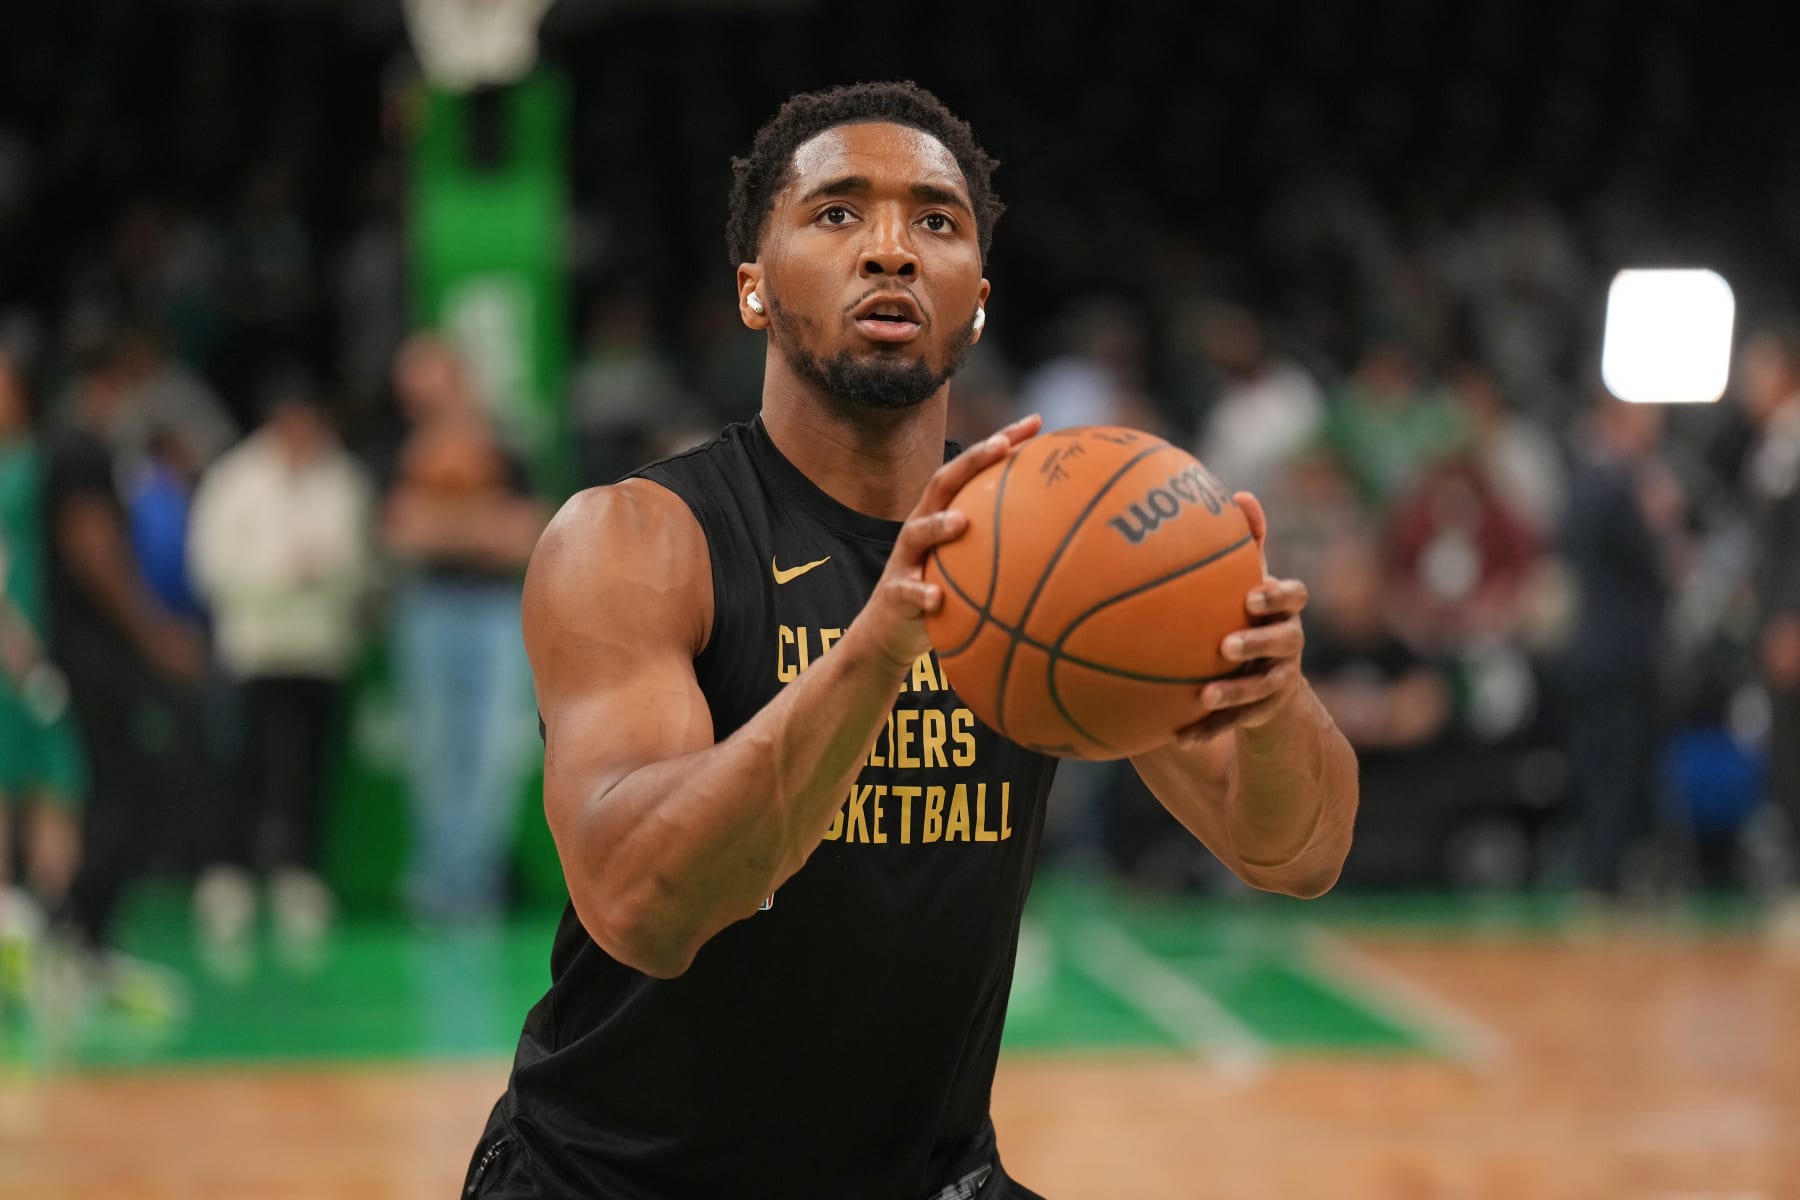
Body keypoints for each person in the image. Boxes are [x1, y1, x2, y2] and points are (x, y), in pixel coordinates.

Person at [467, 82, 1358, 1200]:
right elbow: (642, 904)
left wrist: (1269, 700)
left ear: (975, 302)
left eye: (935, 220)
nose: (891, 248)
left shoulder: (1043, 560)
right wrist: (874, 651)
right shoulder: (638, 540)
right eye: (838, 212)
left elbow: (1300, 852)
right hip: (615, 1183)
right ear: (753, 288)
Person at [186, 371, 376, 947]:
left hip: (319, 650)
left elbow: (360, 559)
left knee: (308, 765)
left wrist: (322, 570)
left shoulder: (343, 478)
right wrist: (280, 574)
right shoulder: (236, 480)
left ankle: (299, 875)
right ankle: (228, 874)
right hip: (254, 648)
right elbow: (211, 563)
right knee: (242, 762)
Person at [381, 334, 548, 924]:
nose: (414, 395)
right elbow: (399, 532)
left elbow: (522, 535)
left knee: (494, 751)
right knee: (433, 749)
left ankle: (473, 882)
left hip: (496, 611)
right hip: (427, 608)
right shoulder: (401, 445)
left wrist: (442, 525)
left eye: (424, 381)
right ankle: (439, 880)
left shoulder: (505, 443)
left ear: (456, 379)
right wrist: (476, 525)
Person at [0, 350, 85, 992]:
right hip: (10, 649)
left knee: (56, 780)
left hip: (51, 650)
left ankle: (56, 921)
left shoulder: (48, 463)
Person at [1738, 321, 1800, 942]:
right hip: (1776, 623)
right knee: (1782, 755)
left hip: (1790, 628)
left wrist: (1789, 617)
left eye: (1757, 371)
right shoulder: (1775, 445)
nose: (1746, 386)